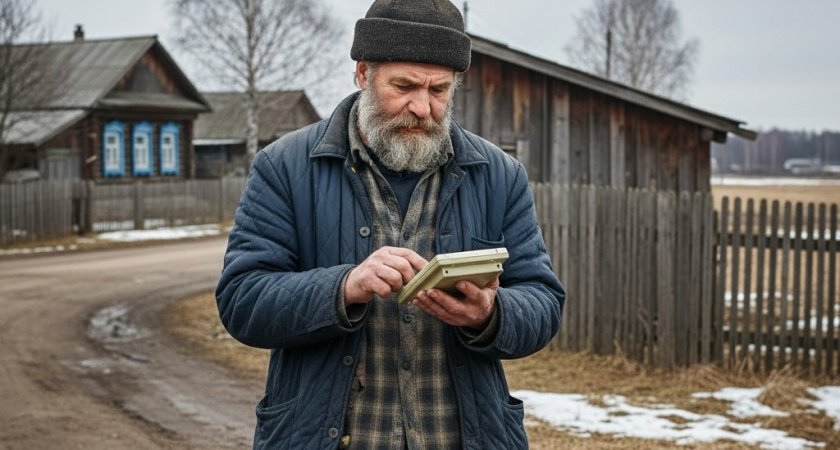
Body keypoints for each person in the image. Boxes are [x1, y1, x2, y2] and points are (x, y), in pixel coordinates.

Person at [215, 0, 565, 448]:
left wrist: (490, 315)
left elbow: (543, 301)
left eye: (439, 90)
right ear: (363, 74)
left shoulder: (499, 175)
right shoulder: (284, 167)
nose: (422, 107)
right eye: (404, 86)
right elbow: (242, 300)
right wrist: (344, 287)